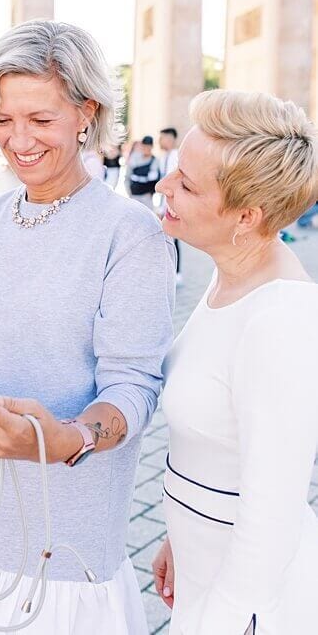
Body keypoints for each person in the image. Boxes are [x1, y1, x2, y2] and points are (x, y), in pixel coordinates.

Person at [0, 20, 174, 634]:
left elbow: (134, 386)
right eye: (3, 119)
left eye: (40, 120)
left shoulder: (130, 235)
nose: (18, 140)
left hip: (65, 538)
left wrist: (61, 438)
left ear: (87, 113)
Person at [151, 90, 318, 634]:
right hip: (205, 570)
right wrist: (177, 533)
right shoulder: (231, 276)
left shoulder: (281, 319)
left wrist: (220, 620)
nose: (163, 187)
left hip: (246, 606)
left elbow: (273, 517)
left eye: (187, 185)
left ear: (246, 216)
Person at [158, 127, 183, 285]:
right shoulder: (163, 157)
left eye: (163, 138)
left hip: (173, 204)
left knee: (174, 239)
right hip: (163, 204)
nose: (160, 141)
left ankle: (177, 272)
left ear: (171, 139)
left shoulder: (177, 157)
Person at [126, 135, 160, 208]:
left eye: (148, 147)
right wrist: (129, 192)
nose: (146, 149)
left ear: (152, 147)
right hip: (133, 195)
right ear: (142, 146)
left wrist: (151, 193)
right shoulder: (134, 158)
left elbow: (155, 179)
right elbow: (127, 176)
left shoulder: (155, 161)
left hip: (146, 196)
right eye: (144, 146)